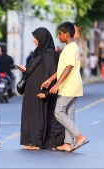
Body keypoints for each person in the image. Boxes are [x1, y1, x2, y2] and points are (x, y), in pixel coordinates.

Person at [41, 21, 89, 152]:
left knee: (59, 112)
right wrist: (50, 80)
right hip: (73, 86)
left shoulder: (71, 47)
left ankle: (79, 136)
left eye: (60, 33)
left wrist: (56, 84)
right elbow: (62, 69)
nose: (58, 36)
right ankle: (68, 144)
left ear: (67, 34)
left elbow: (68, 67)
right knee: (69, 113)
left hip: (69, 86)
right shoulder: (69, 47)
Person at [16, 27, 65, 149]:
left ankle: (36, 141)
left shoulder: (48, 55)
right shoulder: (40, 54)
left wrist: (46, 92)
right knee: (30, 116)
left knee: (38, 116)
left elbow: (51, 73)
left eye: (36, 38)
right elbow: (37, 71)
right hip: (31, 91)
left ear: (42, 39)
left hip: (40, 91)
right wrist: (26, 69)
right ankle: (30, 140)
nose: (34, 40)